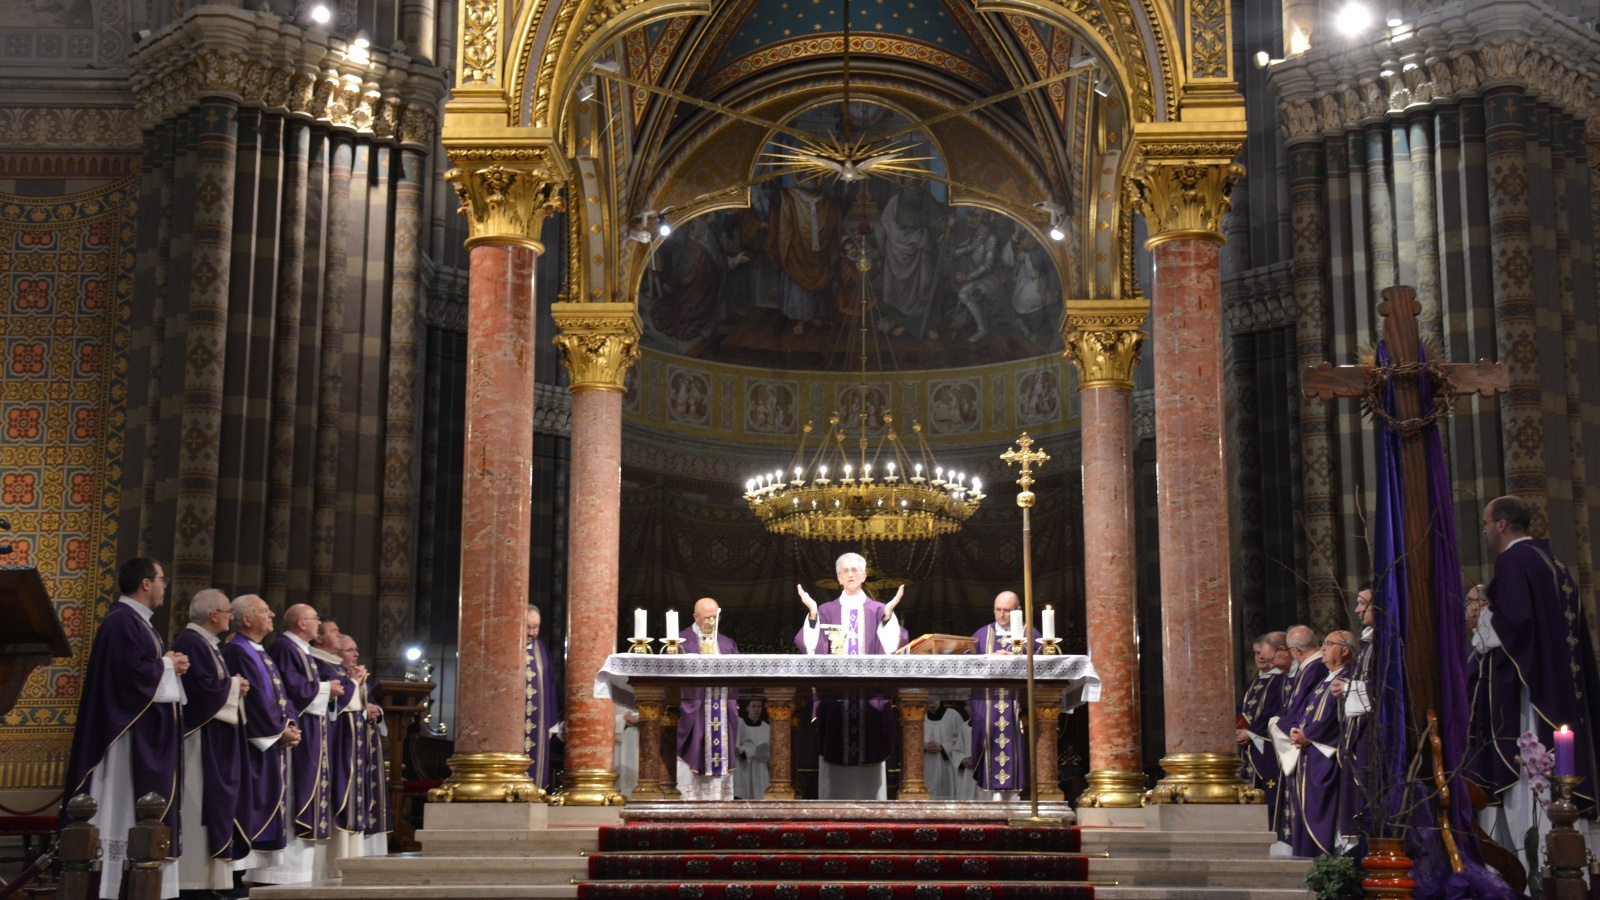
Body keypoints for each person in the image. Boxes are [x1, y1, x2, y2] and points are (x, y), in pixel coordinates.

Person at [1474, 495, 1600, 846]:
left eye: (1486, 523)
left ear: (1501, 525)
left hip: (1532, 695)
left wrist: (1483, 621)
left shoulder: (1514, 561)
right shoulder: (1552, 561)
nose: (1484, 531)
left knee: (1534, 776)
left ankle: (1538, 860)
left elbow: (1513, 625)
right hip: (1559, 688)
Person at [62, 557, 188, 900]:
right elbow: (127, 678)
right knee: (119, 806)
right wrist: (167, 665)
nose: (164, 586)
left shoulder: (138, 622)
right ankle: (109, 885)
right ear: (145, 583)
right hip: (122, 738)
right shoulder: (122, 622)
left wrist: (168, 665)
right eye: (161, 579)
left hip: (137, 734)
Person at [794, 552, 906, 799]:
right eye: (845, 571)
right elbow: (810, 647)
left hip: (869, 703)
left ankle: (872, 815)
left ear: (864, 576)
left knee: (870, 770)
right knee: (835, 780)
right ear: (839, 578)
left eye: (855, 570)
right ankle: (832, 815)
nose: (851, 574)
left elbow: (892, 648)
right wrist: (812, 613)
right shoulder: (825, 611)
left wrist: (888, 618)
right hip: (836, 702)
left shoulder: (879, 610)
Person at [259, 604, 344, 883]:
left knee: (306, 791)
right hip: (298, 733)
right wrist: (326, 688)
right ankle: (281, 872)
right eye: (315, 619)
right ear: (301, 623)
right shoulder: (285, 648)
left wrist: (327, 691)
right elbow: (291, 688)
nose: (318, 623)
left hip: (311, 732)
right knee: (296, 793)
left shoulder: (301, 649)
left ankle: (299, 872)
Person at [173, 588, 247, 895]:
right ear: (214, 615)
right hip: (198, 741)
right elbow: (200, 692)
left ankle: (209, 882)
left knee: (212, 808)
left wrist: (232, 687)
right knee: (197, 808)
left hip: (213, 739)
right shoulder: (191, 642)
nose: (231, 617)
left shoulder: (207, 643)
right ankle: (193, 883)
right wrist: (234, 685)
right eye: (229, 612)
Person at [222, 595, 300, 884]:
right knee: (247, 807)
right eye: (265, 611)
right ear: (246, 619)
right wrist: (279, 730)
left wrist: (290, 723)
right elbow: (254, 699)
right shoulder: (238, 651)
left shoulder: (259, 650)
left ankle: (243, 876)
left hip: (269, 741)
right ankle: (234, 877)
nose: (272, 615)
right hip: (250, 746)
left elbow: (280, 694)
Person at [1282, 630, 1355, 858]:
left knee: (1321, 811)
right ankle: (1306, 856)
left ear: (1345, 650)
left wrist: (1308, 735)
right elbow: (1305, 711)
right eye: (1323, 643)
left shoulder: (1346, 679)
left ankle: (1323, 859)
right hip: (1309, 754)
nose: (1322, 648)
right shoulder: (1326, 679)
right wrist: (1296, 732)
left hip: (1325, 757)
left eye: (1329, 644)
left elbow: (1334, 719)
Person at [311, 619, 372, 862]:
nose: (356, 654)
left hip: (349, 743)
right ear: (318, 637)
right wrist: (355, 683)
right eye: (334, 631)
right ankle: (334, 860)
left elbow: (355, 704)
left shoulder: (335, 666)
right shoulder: (319, 664)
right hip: (335, 743)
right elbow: (335, 705)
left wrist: (359, 686)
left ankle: (351, 857)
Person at [969, 591, 1039, 800]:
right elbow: (966, 664)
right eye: (997, 610)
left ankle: (1015, 799)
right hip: (986, 703)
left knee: (1018, 748)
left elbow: (1045, 663)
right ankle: (988, 800)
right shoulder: (981, 635)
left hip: (1017, 704)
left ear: (1018, 610)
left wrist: (1018, 657)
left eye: (1007, 610)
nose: (1001, 614)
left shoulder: (1031, 634)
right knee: (987, 744)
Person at [1466, 582, 1519, 835]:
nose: (1465, 608)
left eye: (1468, 601)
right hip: (1475, 741)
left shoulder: (1496, 649)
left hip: (1495, 737)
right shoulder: (1476, 645)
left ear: (1482, 605)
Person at [676, 598, 740, 800]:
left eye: (715, 617)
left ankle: (719, 802)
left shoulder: (727, 644)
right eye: (707, 618)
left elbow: (738, 679)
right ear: (695, 617)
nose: (712, 622)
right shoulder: (680, 642)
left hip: (722, 710)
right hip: (694, 711)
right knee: (693, 750)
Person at [1269, 624, 1325, 850]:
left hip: (1311, 742)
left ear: (1295, 651)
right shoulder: (1310, 667)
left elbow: (1304, 710)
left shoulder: (1314, 668)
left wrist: (1279, 724)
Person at [338, 635, 390, 856]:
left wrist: (376, 711)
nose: (356, 654)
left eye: (356, 649)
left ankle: (372, 851)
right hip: (348, 747)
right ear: (337, 653)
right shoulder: (339, 677)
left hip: (368, 746)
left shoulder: (357, 676)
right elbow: (338, 711)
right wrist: (363, 710)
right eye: (350, 650)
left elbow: (371, 703)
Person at [1333, 588, 1375, 855]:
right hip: (1359, 735)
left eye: (1362, 604)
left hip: (1373, 737)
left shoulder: (1384, 644)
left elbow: (1386, 689)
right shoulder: (1369, 645)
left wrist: (1349, 688)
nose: (1358, 610)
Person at [1237, 631, 1286, 831]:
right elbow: (1241, 710)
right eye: (1256, 653)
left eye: (1263, 653)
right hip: (1248, 747)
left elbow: (1274, 712)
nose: (1260, 657)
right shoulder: (1253, 683)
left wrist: (1251, 733)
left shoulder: (1280, 681)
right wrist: (1238, 729)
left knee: (1267, 792)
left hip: (1267, 746)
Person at [524, 604, 560, 790]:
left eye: (535, 627)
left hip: (539, 723)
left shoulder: (542, 650)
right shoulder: (507, 648)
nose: (532, 632)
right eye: (528, 627)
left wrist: (552, 723)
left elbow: (551, 684)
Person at [922, 697, 969, 800]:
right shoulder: (920, 715)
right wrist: (922, 746)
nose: (931, 699)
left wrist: (943, 747)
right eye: (929, 696)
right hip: (926, 763)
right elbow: (912, 738)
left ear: (940, 698)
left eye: (934, 696)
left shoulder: (953, 715)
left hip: (947, 763)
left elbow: (961, 739)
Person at [735, 698, 771, 800]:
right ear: (747, 708)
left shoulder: (767, 728)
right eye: (753, 706)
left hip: (761, 766)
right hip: (745, 765)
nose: (756, 709)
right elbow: (738, 745)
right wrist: (747, 752)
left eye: (759, 707)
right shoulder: (741, 725)